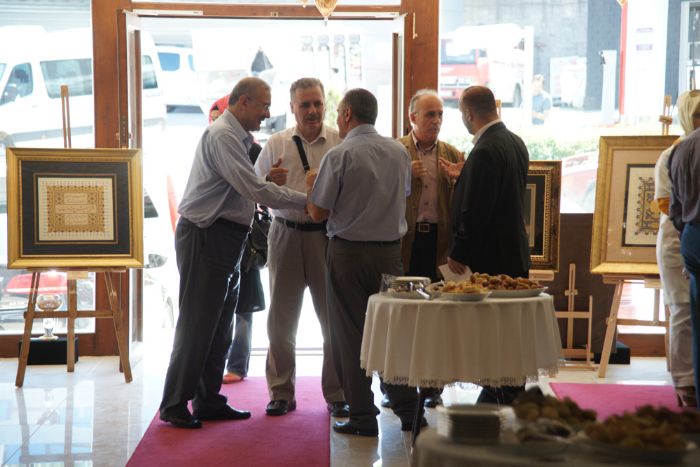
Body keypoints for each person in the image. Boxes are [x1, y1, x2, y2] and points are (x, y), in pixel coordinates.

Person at [158, 77, 307, 429]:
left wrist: (266, 182)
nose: (267, 113)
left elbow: (242, 187)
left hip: (226, 237)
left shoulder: (236, 137)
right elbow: (252, 189)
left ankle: (207, 400)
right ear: (243, 102)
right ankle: (174, 403)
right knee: (198, 323)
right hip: (206, 235)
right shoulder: (223, 135)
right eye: (264, 106)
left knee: (220, 324)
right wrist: (308, 201)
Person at [306, 88, 421, 437]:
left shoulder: (340, 154)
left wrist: (312, 186)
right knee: (392, 332)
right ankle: (409, 410)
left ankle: (362, 416)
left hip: (348, 254)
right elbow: (402, 195)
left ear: (347, 115)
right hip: (389, 255)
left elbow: (318, 212)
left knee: (349, 335)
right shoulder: (398, 152)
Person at [254, 77, 347, 417]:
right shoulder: (276, 143)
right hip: (285, 234)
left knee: (333, 321)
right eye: (305, 104)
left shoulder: (339, 143)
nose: (312, 110)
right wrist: (269, 181)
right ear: (292, 107)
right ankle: (281, 392)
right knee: (281, 321)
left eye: (317, 103)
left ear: (325, 105)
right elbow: (254, 187)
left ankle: (337, 393)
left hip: (327, 236)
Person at [448, 85, 530, 405]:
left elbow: (477, 209)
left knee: (493, 331)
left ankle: (501, 391)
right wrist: (465, 176)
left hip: (492, 257)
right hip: (513, 252)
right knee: (508, 329)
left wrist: (460, 250)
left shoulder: (484, 150)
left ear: (469, 114)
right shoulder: (515, 142)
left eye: (461, 114)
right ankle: (505, 388)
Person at [382, 89, 463, 409]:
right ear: (412, 117)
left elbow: (463, 206)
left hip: (438, 245)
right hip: (404, 244)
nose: (436, 120)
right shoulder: (393, 151)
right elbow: (378, 196)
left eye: (440, 114)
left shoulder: (452, 153)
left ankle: (432, 387)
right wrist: (404, 176)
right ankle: (395, 387)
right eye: (430, 114)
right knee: (401, 316)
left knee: (436, 318)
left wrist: (458, 179)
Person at [208, 97, 267, 385]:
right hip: (218, 235)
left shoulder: (253, 149)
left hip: (245, 236)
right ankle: (217, 366)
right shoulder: (213, 143)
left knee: (244, 305)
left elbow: (261, 189)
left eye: (219, 117)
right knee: (220, 306)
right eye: (213, 119)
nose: (216, 124)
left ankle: (237, 365)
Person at [654, 90, 700, 407]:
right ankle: (685, 382)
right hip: (676, 238)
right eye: (696, 115)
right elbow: (667, 203)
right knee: (683, 311)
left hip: (687, 233)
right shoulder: (672, 153)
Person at [669, 91, 700, 409]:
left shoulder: (682, 148)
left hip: (691, 235)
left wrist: (686, 234)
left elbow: (675, 208)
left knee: (695, 320)